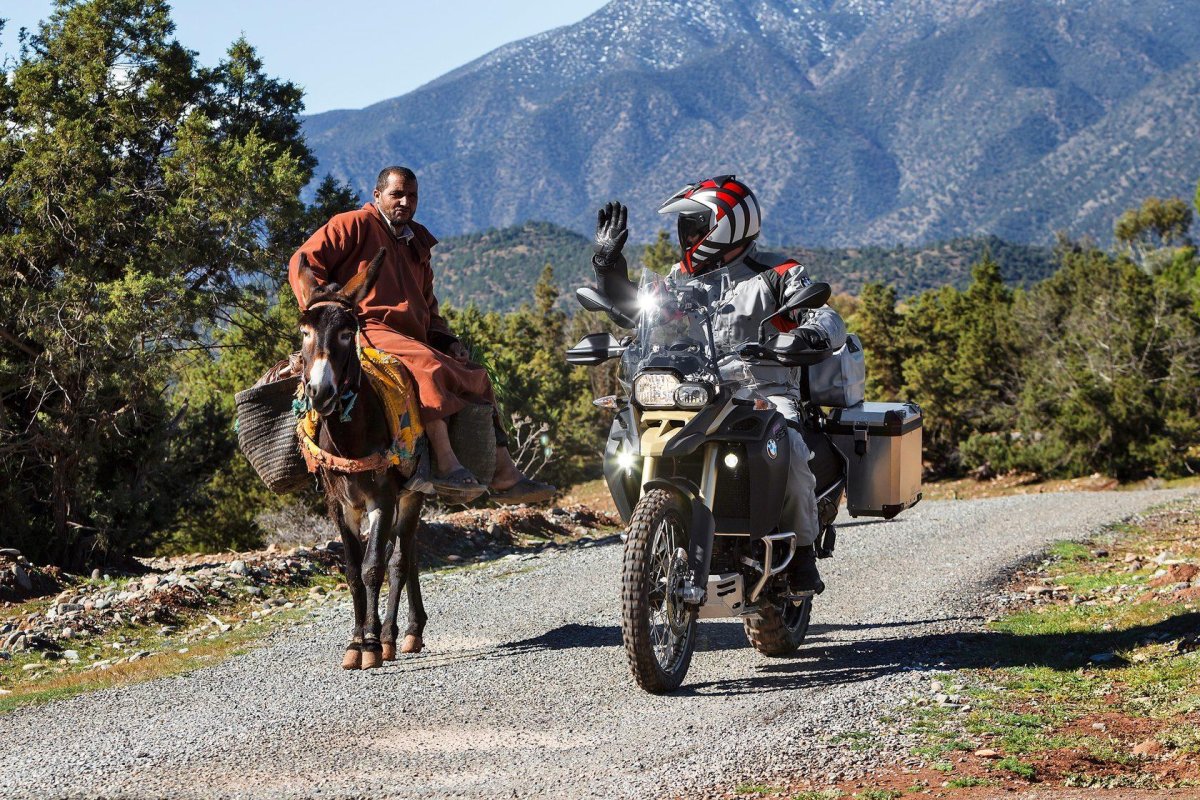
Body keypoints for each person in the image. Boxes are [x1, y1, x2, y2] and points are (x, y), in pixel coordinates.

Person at [590, 175, 846, 593]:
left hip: (763, 392)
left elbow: (825, 316)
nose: (685, 234)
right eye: (685, 226)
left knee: (793, 450)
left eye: (694, 225)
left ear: (725, 226)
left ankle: (801, 553)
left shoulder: (776, 274)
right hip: (697, 389)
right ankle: (657, 530)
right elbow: (635, 310)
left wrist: (810, 334)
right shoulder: (677, 279)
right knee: (628, 441)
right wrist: (607, 265)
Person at [288, 166, 555, 504]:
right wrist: (325, 312)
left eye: (411, 196)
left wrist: (445, 338)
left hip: (412, 338)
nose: (405, 201)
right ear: (377, 195)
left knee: (476, 375)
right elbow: (303, 261)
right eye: (396, 194)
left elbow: (428, 304)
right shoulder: (352, 224)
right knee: (428, 367)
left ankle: (505, 475)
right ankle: (446, 464)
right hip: (368, 329)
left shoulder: (416, 243)